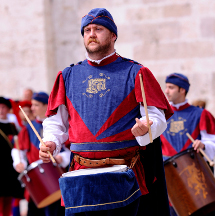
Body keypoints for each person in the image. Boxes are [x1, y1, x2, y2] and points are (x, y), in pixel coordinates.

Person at [39, 8, 173, 216]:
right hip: (80, 176)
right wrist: (52, 142)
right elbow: (57, 123)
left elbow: (157, 116)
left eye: (98, 29)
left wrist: (148, 128)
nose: (91, 34)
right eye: (87, 30)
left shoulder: (136, 72)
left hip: (123, 176)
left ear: (113, 35)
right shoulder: (67, 76)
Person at [161, 73, 215, 216]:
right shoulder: (160, 116)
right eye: (166, 87)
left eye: (171, 88)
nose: (166, 91)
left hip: (195, 178)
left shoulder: (201, 114)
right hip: (168, 179)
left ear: (182, 90)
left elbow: (212, 142)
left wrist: (203, 144)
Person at [11, 92, 70, 216]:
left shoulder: (60, 126)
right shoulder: (28, 128)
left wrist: (62, 158)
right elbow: (17, 149)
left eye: (36, 105)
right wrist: (19, 162)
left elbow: (72, 149)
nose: (32, 108)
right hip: (37, 178)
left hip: (58, 176)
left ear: (46, 106)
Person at [0, 97, 24, 216]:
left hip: (10, 166)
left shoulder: (12, 126)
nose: (1, 110)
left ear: (8, 109)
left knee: (9, 196)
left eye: (3, 107)